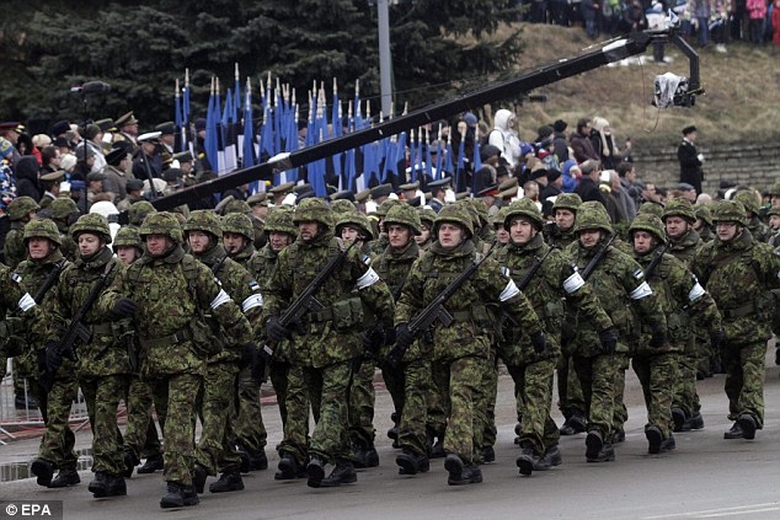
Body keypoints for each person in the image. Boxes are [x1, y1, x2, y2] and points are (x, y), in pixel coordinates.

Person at [98, 211, 252, 508]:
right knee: (169, 418)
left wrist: (247, 340)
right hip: (151, 360)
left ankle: (179, 483)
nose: (152, 242)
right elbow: (107, 297)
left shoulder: (192, 269)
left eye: (158, 237)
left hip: (186, 358)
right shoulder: (135, 271)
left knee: (178, 422)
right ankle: (186, 477)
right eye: (149, 238)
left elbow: (223, 305)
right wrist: (115, 304)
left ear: (171, 239)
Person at [394, 202, 543, 485]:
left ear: (465, 233)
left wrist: (534, 329)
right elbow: (408, 298)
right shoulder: (425, 263)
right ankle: (471, 460)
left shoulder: (479, 264)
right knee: (448, 403)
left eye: (453, 228)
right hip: (436, 345)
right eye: (443, 228)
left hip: (472, 343)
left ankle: (459, 454)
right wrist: (401, 324)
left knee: (462, 396)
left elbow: (512, 297)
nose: (446, 233)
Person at [262, 198, 395, 488]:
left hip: (340, 341)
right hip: (305, 344)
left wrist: (390, 324)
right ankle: (343, 462)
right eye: (300, 223)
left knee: (334, 400)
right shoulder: (289, 257)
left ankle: (319, 453)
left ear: (323, 224)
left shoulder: (344, 252)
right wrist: (271, 317)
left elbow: (374, 289)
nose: (304, 228)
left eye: (309, 222)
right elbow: (273, 291)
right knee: (320, 404)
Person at [497, 198, 614, 475]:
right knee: (527, 397)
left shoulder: (554, 260)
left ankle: (532, 447)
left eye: (524, 224)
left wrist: (605, 326)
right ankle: (550, 444)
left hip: (544, 343)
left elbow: (582, 295)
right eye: (514, 224)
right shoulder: (498, 260)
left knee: (536, 393)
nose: (518, 229)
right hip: (511, 342)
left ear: (536, 228)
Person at [567, 203, 666, 462]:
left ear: (603, 231)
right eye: (583, 231)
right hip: (580, 339)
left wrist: (659, 327)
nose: (588, 236)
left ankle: (600, 433)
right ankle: (603, 427)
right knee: (588, 389)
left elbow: (644, 297)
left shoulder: (622, 262)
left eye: (592, 231)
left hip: (614, 339)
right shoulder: (568, 259)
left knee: (605, 388)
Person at [183, 210, 264, 495]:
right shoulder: (184, 267)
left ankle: (201, 466)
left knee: (214, 409)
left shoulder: (232, 270)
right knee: (212, 414)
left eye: (200, 235)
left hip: (225, 353)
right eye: (191, 235)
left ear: (212, 237)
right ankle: (230, 468)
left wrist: (247, 344)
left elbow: (254, 308)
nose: (195, 240)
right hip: (195, 353)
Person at [49, 214, 129, 498]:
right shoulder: (70, 274)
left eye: (89, 240)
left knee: (105, 414)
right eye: (81, 240)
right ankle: (116, 468)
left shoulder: (116, 269)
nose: (84, 245)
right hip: (84, 356)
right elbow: (58, 311)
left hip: (112, 354)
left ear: (102, 241)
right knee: (97, 417)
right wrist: (54, 342)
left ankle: (105, 472)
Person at [628, 213, 722, 454]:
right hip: (638, 340)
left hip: (668, 341)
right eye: (637, 236)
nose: (640, 241)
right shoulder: (626, 265)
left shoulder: (672, 266)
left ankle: (659, 429)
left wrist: (714, 327)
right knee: (648, 386)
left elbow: (698, 296)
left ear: (656, 239)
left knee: (661, 387)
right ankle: (660, 424)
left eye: (645, 236)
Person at [690, 200, 780, 441]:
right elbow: (691, 284)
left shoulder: (761, 254)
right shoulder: (706, 253)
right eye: (719, 224)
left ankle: (750, 415)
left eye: (728, 224)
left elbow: (777, 282)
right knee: (734, 377)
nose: (722, 229)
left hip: (753, 324)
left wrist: (769, 302)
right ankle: (739, 414)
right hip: (722, 326)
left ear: (740, 226)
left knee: (752, 372)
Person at [16, 219, 79, 489]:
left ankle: (47, 458)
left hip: (61, 355)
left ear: (52, 243)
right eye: (31, 241)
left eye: (40, 240)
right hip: (32, 356)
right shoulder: (21, 271)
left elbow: (76, 311)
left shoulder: (67, 272)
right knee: (47, 413)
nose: (35, 245)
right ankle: (68, 466)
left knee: (57, 414)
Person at [372, 204, 429, 476]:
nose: (394, 234)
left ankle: (413, 448)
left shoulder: (425, 261)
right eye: (391, 229)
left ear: (411, 232)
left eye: (400, 229)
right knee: (400, 397)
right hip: (388, 344)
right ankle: (416, 438)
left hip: (418, 342)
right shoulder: (377, 264)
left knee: (417, 394)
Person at [4, 196, 39, 270]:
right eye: (32, 212)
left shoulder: (24, 231)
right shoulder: (16, 235)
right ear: (23, 216)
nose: (35, 215)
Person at [677, 125, 704, 195]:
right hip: (689, 177)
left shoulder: (691, 145)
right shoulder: (683, 146)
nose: (695, 136)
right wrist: (697, 160)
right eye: (694, 134)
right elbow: (685, 161)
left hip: (695, 176)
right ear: (688, 134)